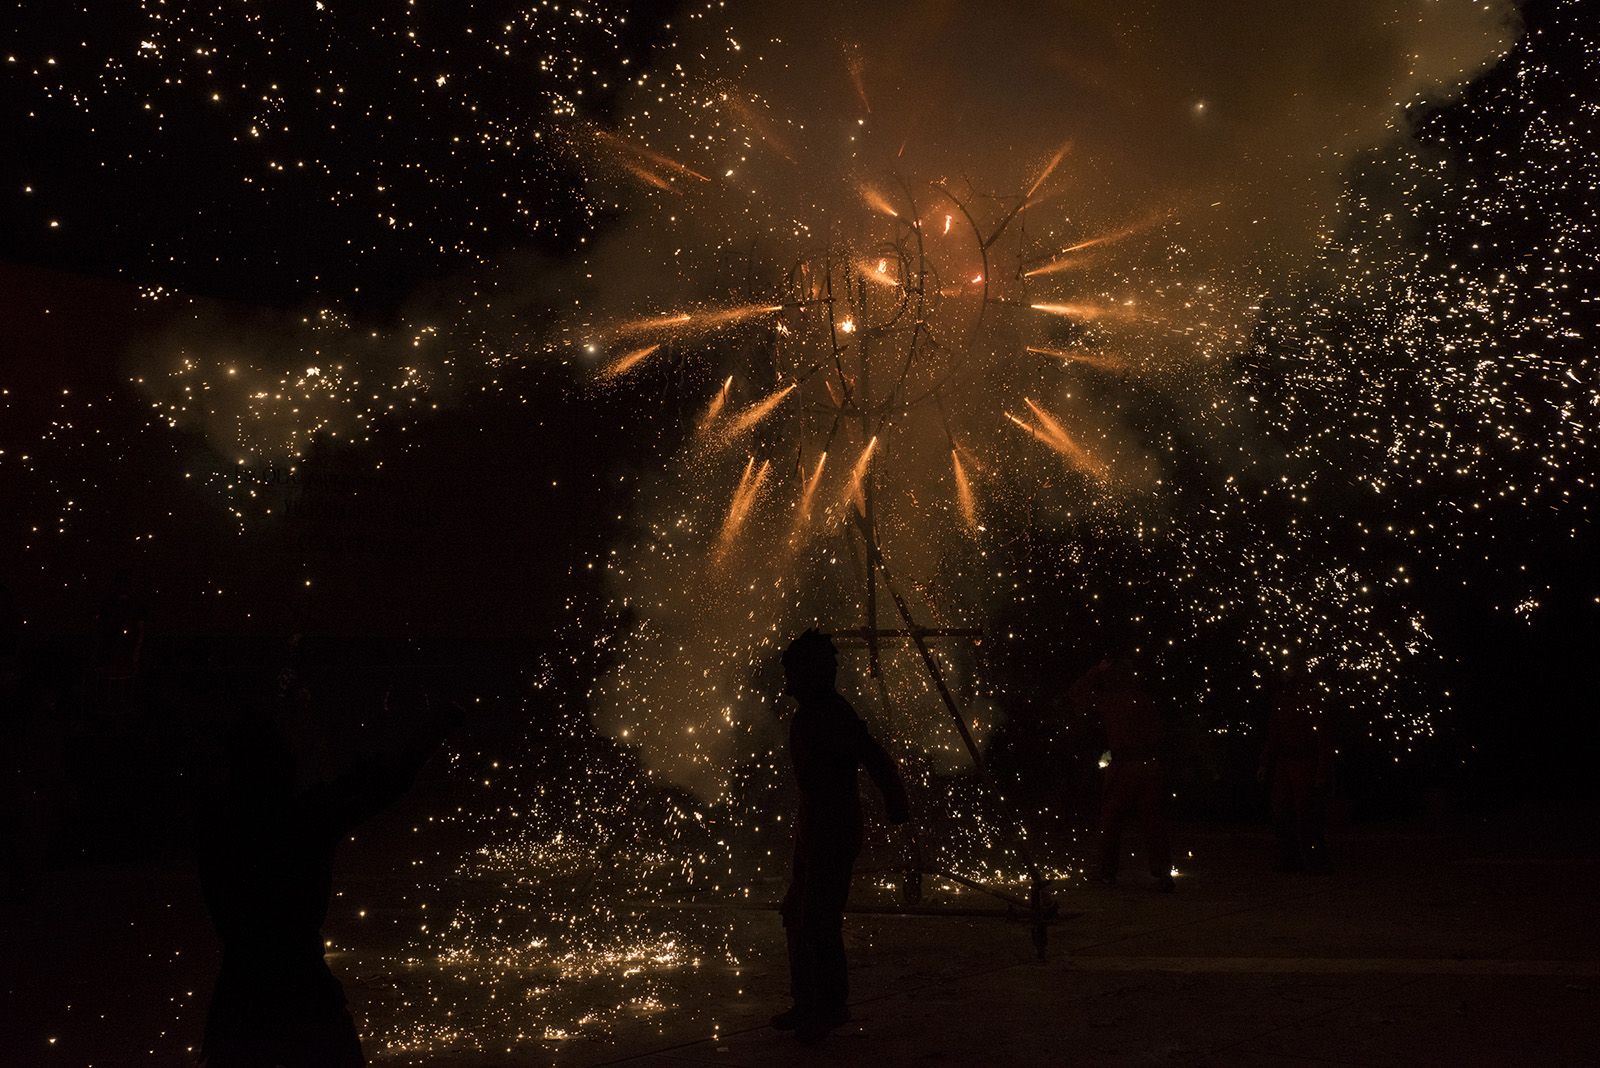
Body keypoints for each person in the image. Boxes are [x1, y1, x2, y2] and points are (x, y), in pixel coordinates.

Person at [197, 692, 457, 1067]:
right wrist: (433, 732)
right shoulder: (303, 821)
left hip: (241, 1005)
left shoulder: (218, 828)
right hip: (306, 1001)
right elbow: (385, 782)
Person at [772, 630, 909, 1044]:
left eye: (794, 673)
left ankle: (828, 1007)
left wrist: (895, 801)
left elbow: (873, 756)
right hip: (815, 828)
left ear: (813, 673)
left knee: (818, 920)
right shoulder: (813, 713)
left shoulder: (833, 713)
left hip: (833, 830)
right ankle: (807, 1001)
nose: (789, 682)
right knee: (796, 913)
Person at [1071, 651, 1173, 892]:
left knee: (1111, 820)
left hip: (1126, 767)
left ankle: (1107, 873)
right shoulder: (1142, 698)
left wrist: (1095, 672)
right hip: (1148, 767)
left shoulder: (1112, 700)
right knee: (1152, 821)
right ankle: (1163, 873)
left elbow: (1076, 694)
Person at [1259, 662, 1335, 873]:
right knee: (1281, 811)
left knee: (1305, 814)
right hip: (1286, 763)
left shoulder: (1310, 700)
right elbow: (1273, 733)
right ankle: (1290, 858)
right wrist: (1265, 762)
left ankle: (1314, 860)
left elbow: (1323, 739)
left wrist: (1321, 771)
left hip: (1304, 762)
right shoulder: (1281, 699)